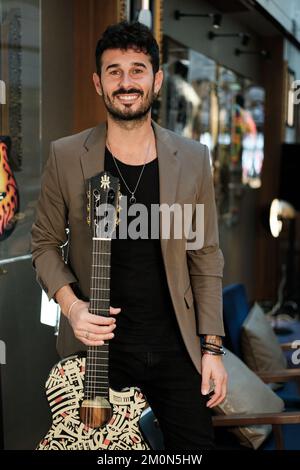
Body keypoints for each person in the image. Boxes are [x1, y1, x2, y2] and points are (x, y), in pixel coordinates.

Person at [31, 21, 227, 450]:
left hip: (176, 347)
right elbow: (44, 243)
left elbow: (205, 255)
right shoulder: (67, 156)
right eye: (114, 71)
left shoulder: (193, 160)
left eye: (137, 70)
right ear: (98, 83)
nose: (126, 82)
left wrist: (213, 349)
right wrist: (72, 307)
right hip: (99, 354)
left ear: (156, 80)